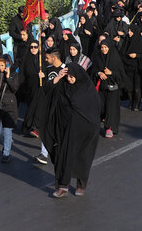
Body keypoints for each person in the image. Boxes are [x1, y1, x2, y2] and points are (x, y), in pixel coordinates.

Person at [41, 63, 101, 198]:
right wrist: (57, 78)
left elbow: (93, 109)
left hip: (84, 130)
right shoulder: (62, 85)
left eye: (72, 77)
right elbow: (46, 91)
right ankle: (63, 186)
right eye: (67, 76)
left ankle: (81, 185)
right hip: (65, 129)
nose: (69, 79)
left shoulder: (86, 87)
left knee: (83, 157)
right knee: (64, 157)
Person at [91, 40, 125, 138]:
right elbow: (94, 70)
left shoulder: (115, 58)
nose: (104, 49)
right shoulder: (98, 58)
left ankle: (109, 128)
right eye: (102, 47)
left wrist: (111, 73)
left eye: (106, 47)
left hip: (112, 88)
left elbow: (121, 75)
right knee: (101, 108)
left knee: (111, 108)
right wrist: (99, 73)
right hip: (101, 88)